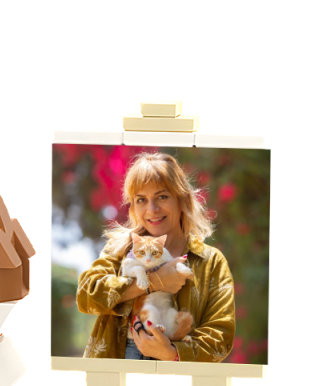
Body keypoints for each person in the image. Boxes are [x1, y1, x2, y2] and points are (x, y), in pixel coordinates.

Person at [77, 152, 235, 362]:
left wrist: (172, 353)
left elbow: (221, 336)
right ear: (133, 207)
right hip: (118, 363)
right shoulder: (120, 249)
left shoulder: (211, 261)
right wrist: (153, 282)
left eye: (162, 196)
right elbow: (86, 296)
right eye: (141, 200)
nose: (152, 209)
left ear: (181, 199)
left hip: (177, 370)